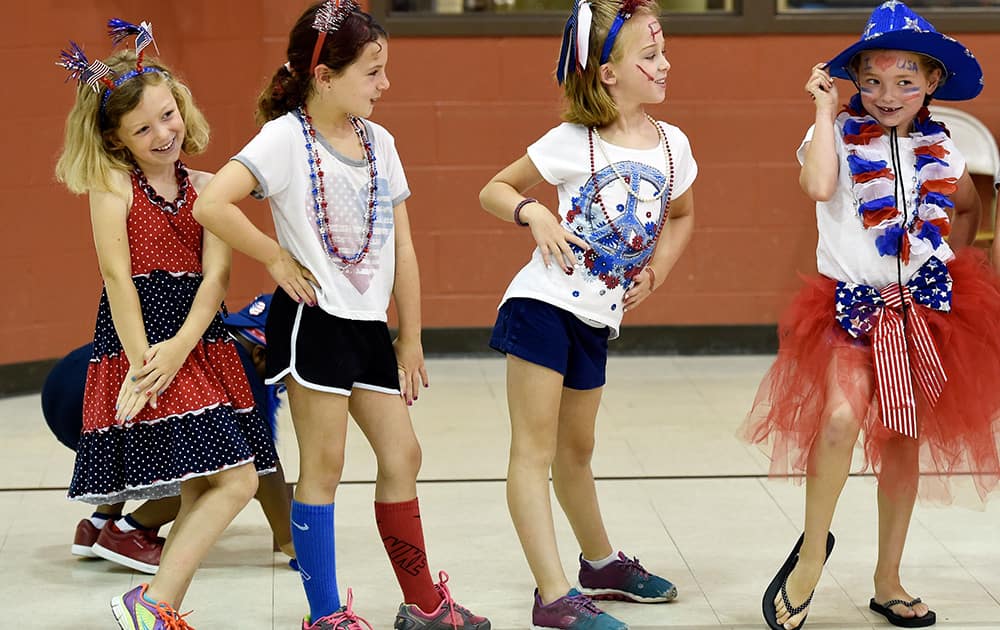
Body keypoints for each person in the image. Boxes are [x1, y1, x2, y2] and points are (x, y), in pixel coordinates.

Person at [191, 2, 491, 629]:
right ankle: (326, 615)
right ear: (323, 76)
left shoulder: (380, 142)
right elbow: (212, 203)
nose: (386, 85)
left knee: (402, 454)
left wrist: (410, 337)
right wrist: (273, 256)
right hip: (313, 321)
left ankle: (422, 604)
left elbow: (403, 247)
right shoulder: (283, 139)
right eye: (373, 72)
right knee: (323, 466)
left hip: (369, 328)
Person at [741, 3, 1000, 629]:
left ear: (932, 83)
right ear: (854, 77)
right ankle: (809, 555)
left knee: (903, 442)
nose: (888, 95)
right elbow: (821, 188)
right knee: (837, 419)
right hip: (852, 310)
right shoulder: (828, 134)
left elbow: (966, 201)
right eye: (874, 81)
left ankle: (888, 579)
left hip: (925, 315)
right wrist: (824, 112)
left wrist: (952, 253)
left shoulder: (943, 147)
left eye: (907, 81)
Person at [54, 18, 278, 629]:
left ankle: (156, 605)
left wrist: (181, 348)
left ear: (181, 105)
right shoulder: (111, 185)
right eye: (142, 127)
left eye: (167, 115)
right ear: (116, 138)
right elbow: (116, 278)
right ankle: (153, 603)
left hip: (196, 345)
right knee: (231, 482)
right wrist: (143, 363)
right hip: (142, 347)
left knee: (219, 483)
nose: (162, 133)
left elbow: (216, 282)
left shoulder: (209, 188)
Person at [478, 0, 696, 627]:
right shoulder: (572, 141)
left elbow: (681, 216)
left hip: (598, 318)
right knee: (533, 450)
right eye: (649, 56)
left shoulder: (673, 144)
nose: (664, 63)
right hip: (542, 304)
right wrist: (533, 212)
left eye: (662, 51)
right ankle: (552, 596)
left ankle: (599, 564)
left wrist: (658, 270)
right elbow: (494, 189)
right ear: (608, 73)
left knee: (577, 449)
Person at [42, 294, 296, 574]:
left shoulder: (214, 334)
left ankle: (98, 524)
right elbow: (263, 468)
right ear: (261, 354)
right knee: (218, 471)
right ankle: (129, 533)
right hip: (98, 402)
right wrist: (289, 540)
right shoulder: (241, 369)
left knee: (146, 438)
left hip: (69, 388)